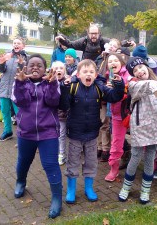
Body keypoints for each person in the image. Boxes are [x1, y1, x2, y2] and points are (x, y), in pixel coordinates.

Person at [60, 59, 125, 204]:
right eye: (85, 72)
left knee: (91, 163)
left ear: (95, 75)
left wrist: (119, 85)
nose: (88, 74)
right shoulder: (73, 87)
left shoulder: (99, 86)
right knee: (73, 162)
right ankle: (71, 189)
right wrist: (64, 88)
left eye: (91, 72)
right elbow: (63, 105)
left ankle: (88, 188)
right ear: (78, 74)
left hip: (92, 134)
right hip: (75, 133)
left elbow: (115, 96)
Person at [12, 54, 62, 219]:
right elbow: (21, 102)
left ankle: (56, 197)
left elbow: (54, 101)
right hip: (26, 132)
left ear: (45, 69)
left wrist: (53, 83)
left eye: (39, 65)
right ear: (26, 68)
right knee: (23, 161)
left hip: (48, 133)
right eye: (31, 65)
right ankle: (20, 182)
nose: (35, 68)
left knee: (51, 165)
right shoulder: (19, 83)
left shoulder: (51, 83)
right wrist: (19, 83)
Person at [118, 57, 157, 204]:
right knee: (136, 156)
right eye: (135, 70)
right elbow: (144, 87)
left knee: (150, 157)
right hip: (140, 125)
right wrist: (154, 84)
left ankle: (145, 191)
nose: (139, 71)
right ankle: (125, 188)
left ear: (147, 67)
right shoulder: (133, 84)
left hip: (154, 126)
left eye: (141, 67)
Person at [104, 53, 131, 181]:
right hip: (116, 115)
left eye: (115, 60)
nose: (113, 63)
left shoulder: (128, 76)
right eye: (110, 61)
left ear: (121, 62)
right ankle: (114, 169)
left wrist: (122, 90)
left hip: (131, 114)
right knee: (116, 143)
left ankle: (152, 165)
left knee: (142, 141)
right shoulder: (107, 76)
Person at [0, 37, 28, 141]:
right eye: (14, 43)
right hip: (4, 88)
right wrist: (1, 63)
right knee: (5, 111)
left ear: (23, 46)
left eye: (18, 43)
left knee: (19, 113)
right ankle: (8, 131)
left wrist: (21, 63)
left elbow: (25, 73)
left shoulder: (27, 57)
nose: (16, 45)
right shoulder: (7, 55)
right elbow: (0, 70)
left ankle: (23, 134)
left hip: (17, 90)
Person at [96, 39, 122, 162]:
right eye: (110, 45)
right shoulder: (102, 60)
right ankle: (100, 146)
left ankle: (106, 148)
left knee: (107, 126)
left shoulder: (119, 63)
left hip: (114, 103)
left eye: (114, 46)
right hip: (103, 100)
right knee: (102, 123)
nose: (111, 47)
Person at [55, 24, 135, 61]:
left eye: (95, 33)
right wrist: (62, 39)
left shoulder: (104, 41)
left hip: (100, 67)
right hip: (86, 66)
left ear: (99, 33)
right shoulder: (84, 41)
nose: (93, 35)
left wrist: (128, 43)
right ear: (88, 34)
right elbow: (70, 44)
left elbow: (116, 44)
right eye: (91, 33)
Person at [51, 61, 69, 165]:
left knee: (61, 135)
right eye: (56, 68)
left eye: (61, 68)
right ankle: (54, 152)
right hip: (51, 114)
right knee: (53, 134)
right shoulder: (49, 81)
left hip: (63, 115)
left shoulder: (67, 81)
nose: (59, 70)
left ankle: (62, 155)